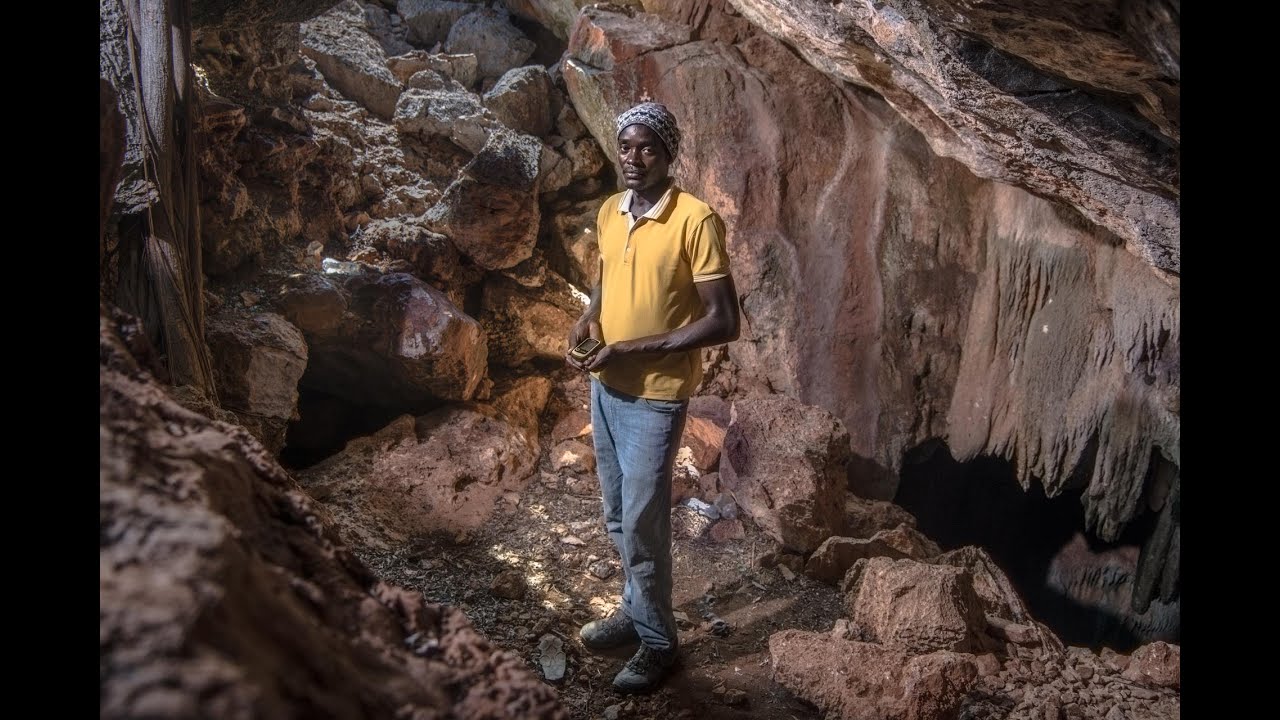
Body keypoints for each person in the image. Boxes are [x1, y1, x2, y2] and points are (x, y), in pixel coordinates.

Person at [565, 101, 741, 693]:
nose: (634, 159)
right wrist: (587, 321)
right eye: (627, 147)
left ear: (668, 155)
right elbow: (608, 278)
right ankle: (636, 611)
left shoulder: (696, 219)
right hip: (605, 388)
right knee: (618, 515)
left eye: (647, 148)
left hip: (656, 397)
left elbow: (723, 321)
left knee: (641, 523)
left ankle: (660, 645)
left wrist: (634, 348)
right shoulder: (611, 212)